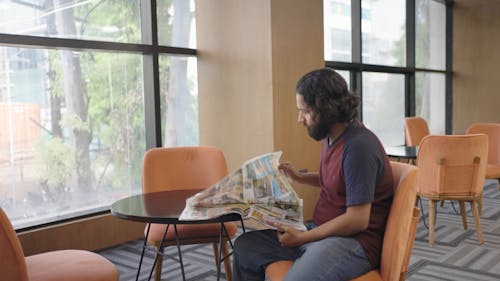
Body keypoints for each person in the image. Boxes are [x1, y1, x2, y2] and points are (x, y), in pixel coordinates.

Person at [232, 68, 394, 281]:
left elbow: (358, 220)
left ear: (327, 109)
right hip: (320, 229)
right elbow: (338, 180)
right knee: (246, 246)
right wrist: (299, 177)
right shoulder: (331, 136)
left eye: (305, 111)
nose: (300, 119)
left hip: (353, 242)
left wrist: (303, 237)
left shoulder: (359, 147)